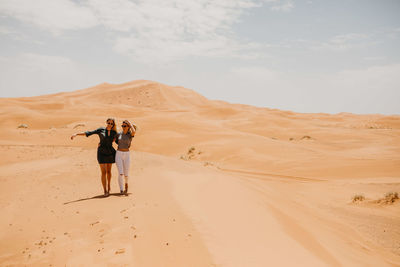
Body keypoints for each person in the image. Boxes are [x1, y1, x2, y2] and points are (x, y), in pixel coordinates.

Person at [71, 118, 118, 196]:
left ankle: (109, 186)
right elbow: (89, 133)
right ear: (106, 122)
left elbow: (117, 139)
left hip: (110, 152)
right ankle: (105, 190)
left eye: (111, 123)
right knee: (103, 172)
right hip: (101, 152)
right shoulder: (101, 129)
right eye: (108, 123)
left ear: (113, 125)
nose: (109, 124)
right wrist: (76, 134)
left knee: (109, 172)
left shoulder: (114, 132)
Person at [115, 120, 136, 195]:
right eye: (122, 126)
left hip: (127, 154)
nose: (123, 127)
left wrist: (130, 123)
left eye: (125, 126)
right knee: (120, 173)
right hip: (119, 154)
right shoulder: (119, 134)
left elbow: (134, 131)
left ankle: (126, 183)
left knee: (126, 174)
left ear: (128, 127)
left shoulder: (130, 135)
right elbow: (113, 140)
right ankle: (121, 189)